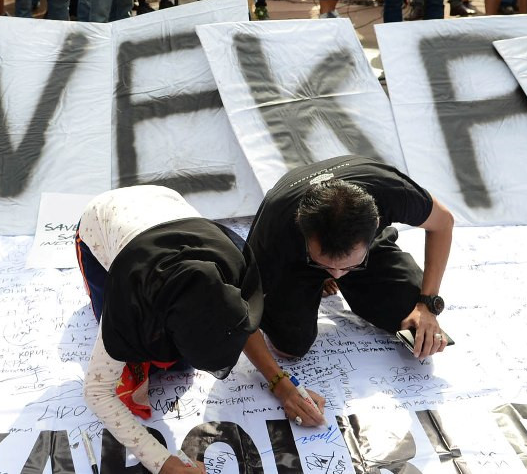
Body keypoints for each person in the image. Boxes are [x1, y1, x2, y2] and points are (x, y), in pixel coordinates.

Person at [243, 156, 454, 427]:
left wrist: (427, 304)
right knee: (290, 347)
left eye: (349, 267)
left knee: (410, 313)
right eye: (325, 266)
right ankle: (324, 269)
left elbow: (444, 222)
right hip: (296, 263)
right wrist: (280, 384)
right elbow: (240, 313)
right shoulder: (276, 230)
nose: (337, 273)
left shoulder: (390, 191)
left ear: (377, 223)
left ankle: (341, 262)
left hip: (351, 245)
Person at [77, 185, 261, 474]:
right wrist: (164, 464)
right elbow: (97, 391)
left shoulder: (235, 266)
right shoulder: (130, 299)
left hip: (164, 201)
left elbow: (242, 325)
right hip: (101, 221)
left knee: (182, 363)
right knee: (131, 368)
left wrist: (281, 383)